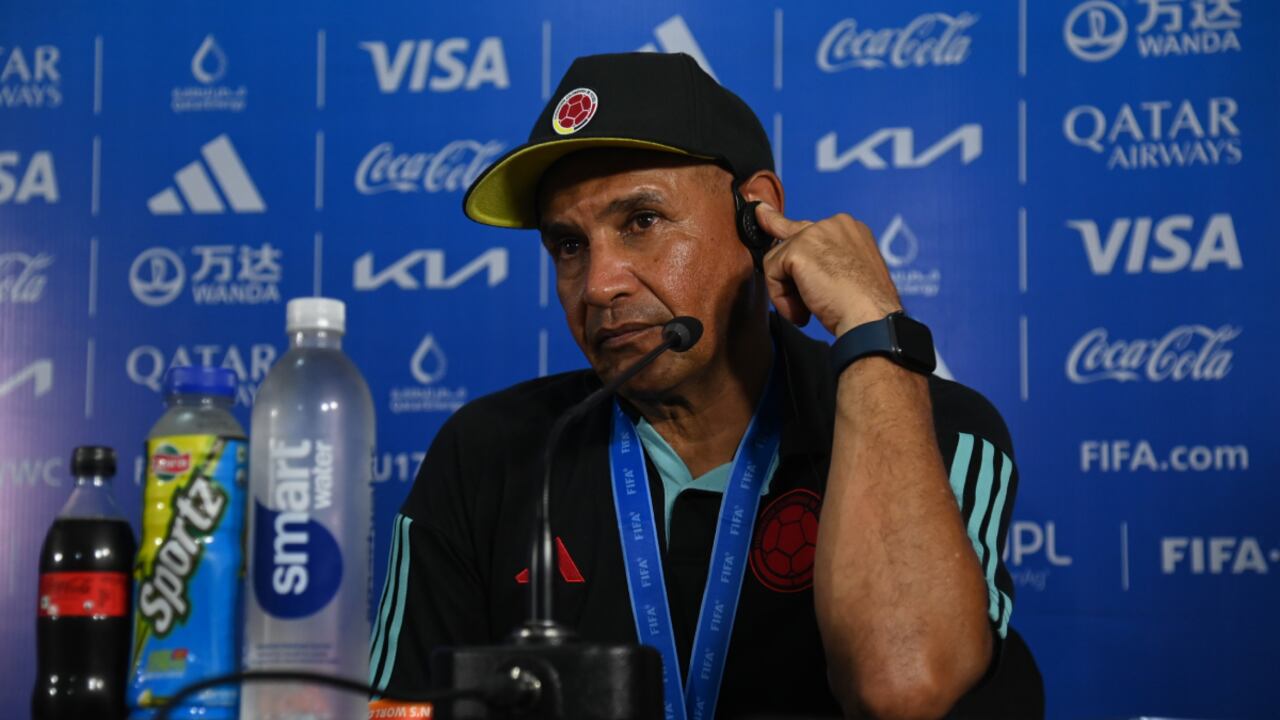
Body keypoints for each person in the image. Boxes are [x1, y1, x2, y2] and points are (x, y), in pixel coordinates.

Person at [369, 52, 1043, 719]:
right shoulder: (492, 453)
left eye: (642, 222)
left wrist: (871, 326)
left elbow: (901, 686)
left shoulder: (934, 427)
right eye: (569, 246)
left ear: (758, 216)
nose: (600, 284)